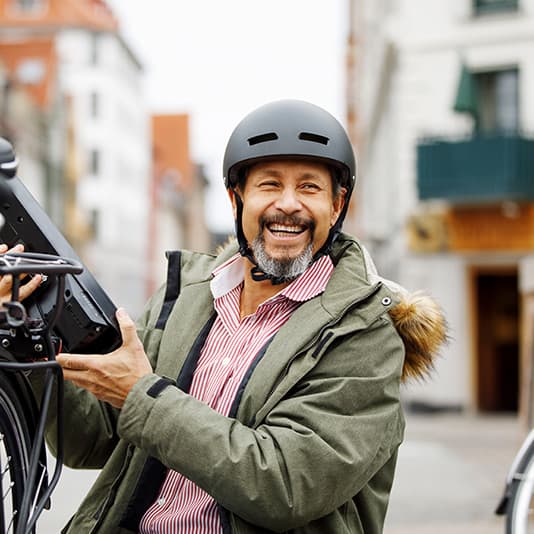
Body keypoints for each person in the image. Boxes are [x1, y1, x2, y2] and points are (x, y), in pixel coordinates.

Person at [13, 100, 446, 533]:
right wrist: (28, 332)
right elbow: (91, 440)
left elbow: (286, 485)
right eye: (269, 184)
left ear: (337, 206)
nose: (288, 204)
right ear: (236, 199)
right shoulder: (187, 294)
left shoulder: (365, 333)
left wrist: (141, 397)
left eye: (310, 188)